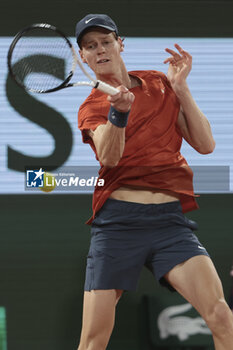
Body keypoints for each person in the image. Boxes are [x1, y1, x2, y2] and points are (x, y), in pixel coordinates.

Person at [75, 14, 233, 350]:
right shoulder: (92, 106)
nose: (100, 49)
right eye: (91, 46)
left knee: (221, 317)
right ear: (83, 58)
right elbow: (110, 157)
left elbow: (205, 145)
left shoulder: (160, 83)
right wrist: (119, 112)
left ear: (120, 44)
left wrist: (181, 88)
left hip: (169, 223)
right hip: (118, 225)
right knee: (93, 340)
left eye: (105, 41)